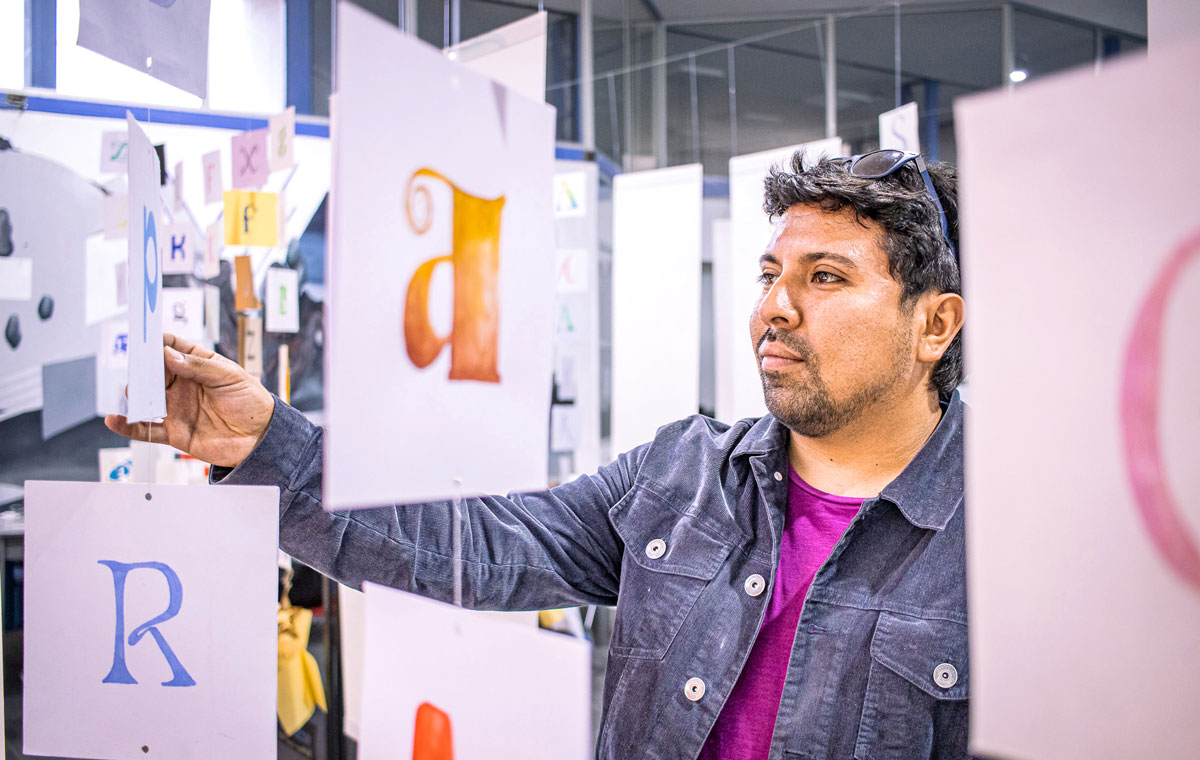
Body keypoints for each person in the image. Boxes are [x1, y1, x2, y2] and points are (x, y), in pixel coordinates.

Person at [107, 149, 967, 759]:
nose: (773, 307)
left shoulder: (1009, 543)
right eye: (769, 273)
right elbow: (479, 545)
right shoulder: (683, 478)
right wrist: (268, 444)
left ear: (934, 324)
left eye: (825, 277)